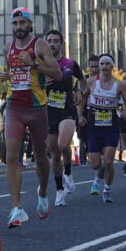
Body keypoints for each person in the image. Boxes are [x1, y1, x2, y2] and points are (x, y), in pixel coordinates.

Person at [0, 7, 62, 227]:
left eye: (21, 23)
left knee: (40, 158)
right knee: (11, 157)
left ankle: (43, 192)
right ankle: (17, 209)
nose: (18, 27)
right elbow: (11, 73)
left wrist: (34, 63)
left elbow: (57, 74)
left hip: (37, 108)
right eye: (15, 23)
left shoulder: (40, 46)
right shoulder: (9, 47)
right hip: (14, 106)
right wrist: (5, 76)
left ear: (29, 24)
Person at [78, 54, 126, 203]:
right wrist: (79, 115)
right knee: (95, 164)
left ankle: (107, 189)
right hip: (94, 127)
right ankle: (100, 170)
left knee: (109, 160)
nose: (104, 67)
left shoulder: (119, 84)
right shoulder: (90, 82)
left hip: (111, 126)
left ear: (112, 67)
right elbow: (81, 99)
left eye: (107, 64)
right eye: (101, 64)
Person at [43, 30, 84, 206]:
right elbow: (29, 87)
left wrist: (80, 92)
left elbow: (83, 80)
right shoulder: (39, 65)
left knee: (62, 144)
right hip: (48, 112)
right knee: (54, 154)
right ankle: (60, 190)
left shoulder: (70, 64)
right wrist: (41, 84)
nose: (52, 44)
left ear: (61, 44)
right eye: (49, 41)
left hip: (67, 110)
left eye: (56, 41)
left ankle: (68, 172)